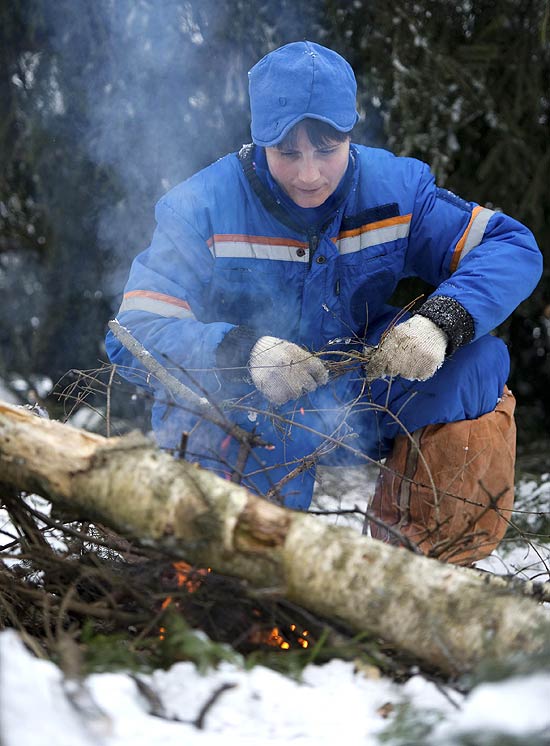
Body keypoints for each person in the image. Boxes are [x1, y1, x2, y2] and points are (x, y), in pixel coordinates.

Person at [106, 41, 542, 565]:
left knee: (477, 363)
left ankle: (418, 574)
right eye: (287, 152)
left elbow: (511, 246)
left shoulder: (396, 190)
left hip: (362, 390)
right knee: (254, 575)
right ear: (258, 139)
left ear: (350, 134)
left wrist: (439, 323)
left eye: (327, 149)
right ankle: (230, 583)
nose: (308, 174)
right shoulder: (200, 206)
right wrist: (243, 353)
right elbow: (133, 334)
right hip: (247, 409)